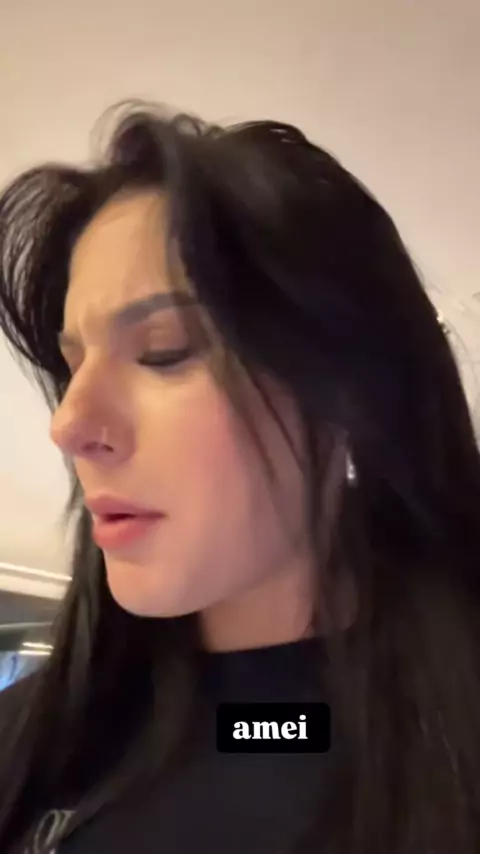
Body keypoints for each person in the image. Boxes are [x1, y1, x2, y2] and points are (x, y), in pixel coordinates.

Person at [0, 102, 479, 854]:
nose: (69, 425)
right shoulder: (29, 740)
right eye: (74, 364)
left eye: (163, 350)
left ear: (347, 397)